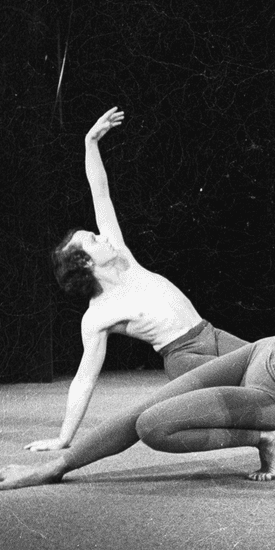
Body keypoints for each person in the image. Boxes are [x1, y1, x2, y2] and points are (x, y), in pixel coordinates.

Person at [0, 250, 275, 509]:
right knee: (146, 406)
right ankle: (56, 468)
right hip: (259, 352)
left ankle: (267, 435)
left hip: (269, 396)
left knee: (154, 427)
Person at [27, 108, 248, 453]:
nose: (103, 238)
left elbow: (101, 194)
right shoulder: (97, 316)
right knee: (255, 384)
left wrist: (90, 142)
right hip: (183, 355)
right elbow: (84, 379)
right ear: (85, 263)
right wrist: (64, 438)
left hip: (211, 332)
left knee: (274, 363)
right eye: (93, 240)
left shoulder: (122, 258)